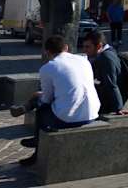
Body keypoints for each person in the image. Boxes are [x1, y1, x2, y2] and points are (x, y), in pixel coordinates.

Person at [14, 34, 100, 167]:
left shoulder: (48, 68)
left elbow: (47, 99)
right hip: (92, 112)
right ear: (66, 47)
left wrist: (38, 95)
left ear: (47, 52)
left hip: (69, 118)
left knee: (41, 110)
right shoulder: (84, 60)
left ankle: (37, 149)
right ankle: (29, 115)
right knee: (41, 99)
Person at [81, 28, 126, 115]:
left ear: (98, 46)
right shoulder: (110, 51)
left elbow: (111, 84)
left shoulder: (105, 58)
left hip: (107, 105)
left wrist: (118, 108)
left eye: (88, 47)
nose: (84, 50)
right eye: (84, 46)